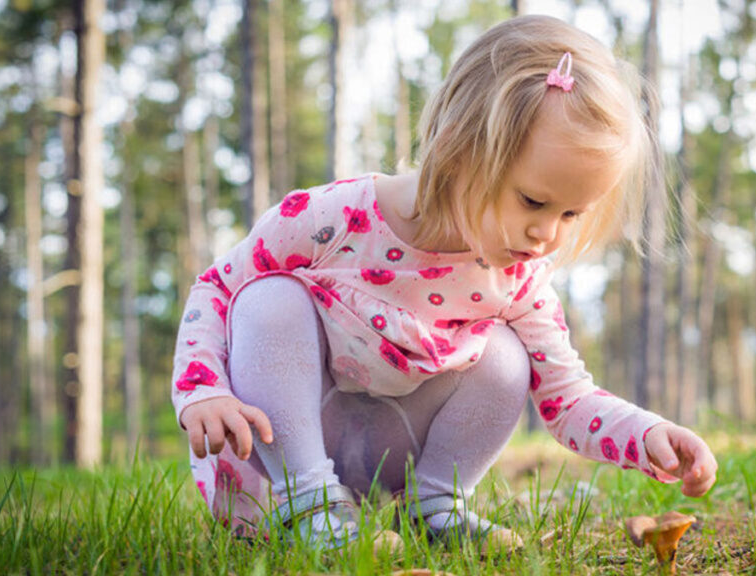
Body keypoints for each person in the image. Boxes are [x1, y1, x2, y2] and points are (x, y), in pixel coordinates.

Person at [171, 14, 717, 554]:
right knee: (268, 299)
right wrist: (202, 390)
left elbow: (568, 399)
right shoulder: (329, 218)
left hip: (387, 453)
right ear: (459, 148)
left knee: (507, 355)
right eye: (532, 200)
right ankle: (309, 506)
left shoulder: (518, 279)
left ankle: (432, 506)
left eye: (571, 213)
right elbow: (218, 288)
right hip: (282, 448)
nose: (545, 234)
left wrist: (646, 436)